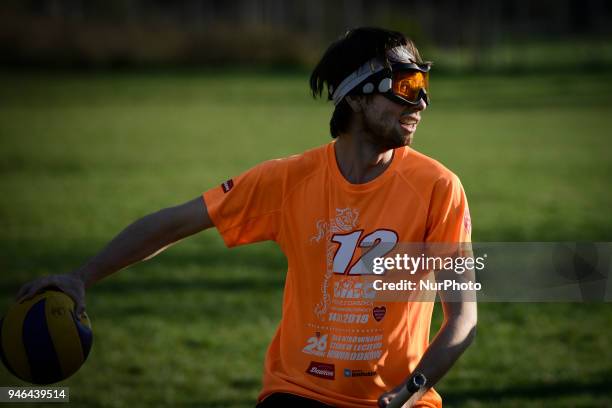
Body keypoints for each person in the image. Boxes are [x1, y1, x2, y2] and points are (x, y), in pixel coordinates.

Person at [16, 27, 477, 407]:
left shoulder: (438, 188)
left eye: (422, 87)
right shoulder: (288, 180)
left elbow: (462, 320)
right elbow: (175, 222)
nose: (419, 104)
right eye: (404, 86)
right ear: (355, 97)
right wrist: (82, 277)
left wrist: (410, 392)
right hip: (296, 394)